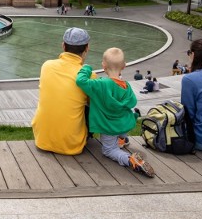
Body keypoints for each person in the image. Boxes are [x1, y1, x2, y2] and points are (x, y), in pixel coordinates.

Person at [76, 47, 154, 177]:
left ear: (103, 65)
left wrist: (86, 68)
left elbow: (80, 81)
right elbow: (132, 103)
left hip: (109, 127)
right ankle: (123, 138)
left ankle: (130, 160)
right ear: (124, 66)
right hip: (123, 124)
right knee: (120, 131)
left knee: (109, 150)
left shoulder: (100, 84)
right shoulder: (126, 86)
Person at [31, 27, 92, 155]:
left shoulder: (47, 66)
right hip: (72, 144)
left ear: (63, 46)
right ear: (87, 48)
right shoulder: (89, 76)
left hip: (42, 139)